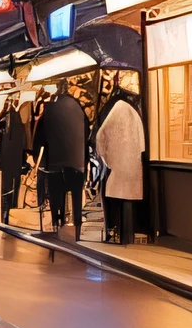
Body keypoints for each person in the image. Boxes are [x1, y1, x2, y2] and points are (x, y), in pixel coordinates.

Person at [34, 82, 88, 239]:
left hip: (55, 162)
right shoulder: (79, 108)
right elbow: (87, 134)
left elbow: (40, 138)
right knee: (76, 195)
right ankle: (77, 227)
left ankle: (58, 223)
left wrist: (37, 157)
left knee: (56, 195)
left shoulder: (49, 110)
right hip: (77, 162)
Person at [95, 90, 145, 245]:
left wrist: (107, 159)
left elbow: (100, 137)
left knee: (114, 198)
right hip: (134, 167)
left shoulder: (114, 110)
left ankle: (113, 229)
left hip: (116, 169)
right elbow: (142, 143)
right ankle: (128, 234)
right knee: (128, 199)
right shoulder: (135, 114)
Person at [0, 98, 30, 223]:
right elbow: (24, 144)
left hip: (6, 160)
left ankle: (5, 212)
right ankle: (12, 210)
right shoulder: (20, 125)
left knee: (6, 187)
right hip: (17, 161)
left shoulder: (3, 122)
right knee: (16, 186)